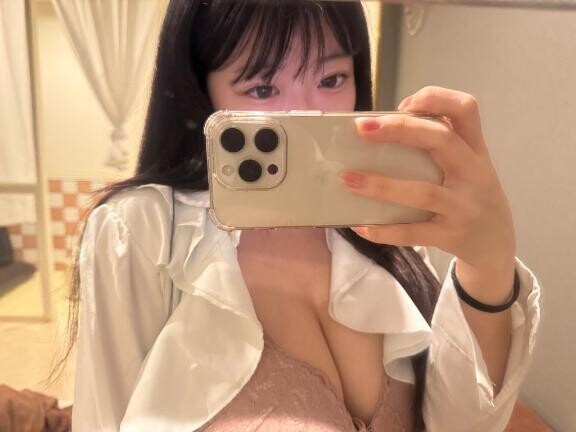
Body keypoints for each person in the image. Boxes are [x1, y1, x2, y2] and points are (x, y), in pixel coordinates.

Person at [60, 1, 542, 431]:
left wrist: (488, 264)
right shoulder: (140, 231)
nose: (306, 114)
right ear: (202, 94)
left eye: (331, 79)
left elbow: (461, 424)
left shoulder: (384, 223)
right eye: (262, 87)